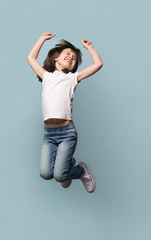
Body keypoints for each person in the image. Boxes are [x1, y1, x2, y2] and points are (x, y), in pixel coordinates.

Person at [27, 32, 103, 193]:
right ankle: (68, 166)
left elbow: (98, 64)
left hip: (66, 133)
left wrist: (90, 48)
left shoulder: (73, 78)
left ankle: (81, 171)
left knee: (61, 176)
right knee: (46, 174)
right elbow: (31, 58)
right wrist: (41, 38)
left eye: (74, 58)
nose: (71, 57)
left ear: (74, 66)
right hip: (49, 134)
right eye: (67, 54)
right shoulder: (46, 76)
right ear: (56, 58)